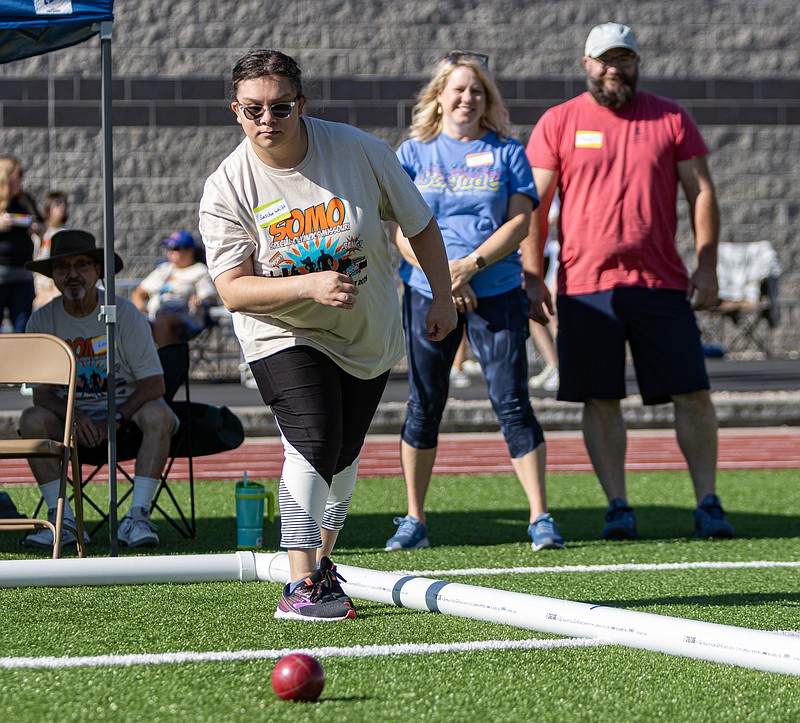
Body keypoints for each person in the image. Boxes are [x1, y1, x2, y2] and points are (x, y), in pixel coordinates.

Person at [198, 49, 455, 622]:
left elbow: (421, 225)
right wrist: (309, 286)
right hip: (281, 333)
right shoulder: (227, 185)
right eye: (254, 109)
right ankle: (299, 582)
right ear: (235, 111)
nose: (267, 120)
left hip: (364, 333)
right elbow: (234, 290)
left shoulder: (360, 150)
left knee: (342, 455)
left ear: (302, 105)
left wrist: (440, 296)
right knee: (313, 440)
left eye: (280, 107)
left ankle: (322, 566)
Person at [526, 22, 734, 540]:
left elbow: (702, 192)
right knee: (599, 398)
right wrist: (533, 274)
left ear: (637, 63)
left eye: (624, 59)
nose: (614, 69)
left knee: (692, 392)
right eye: (605, 60)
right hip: (586, 285)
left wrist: (706, 265)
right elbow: (534, 205)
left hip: (660, 283)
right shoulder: (559, 121)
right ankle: (617, 504)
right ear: (587, 64)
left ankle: (708, 501)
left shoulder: (671, 117)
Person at [384, 50, 565, 555]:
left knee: (512, 401)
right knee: (424, 404)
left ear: (487, 100)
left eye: (477, 90)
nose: (467, 97)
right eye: (458, 89)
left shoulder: (508, 151)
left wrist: (469, 267)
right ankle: (414, 520)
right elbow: (398, 228)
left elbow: (519, 224)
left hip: (496, 288)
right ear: (439, 96)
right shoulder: (413, 153)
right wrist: (442, 278)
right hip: (426, 291)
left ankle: (540, 518)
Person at [19, 229, 179, 549]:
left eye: (81, 265)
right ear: (53, 276)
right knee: (30, 419)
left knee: (159, 414)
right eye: (63, 268)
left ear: (98, 272)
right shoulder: (41, 320)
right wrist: (75, 416)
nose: (73, 274)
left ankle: (138, 516)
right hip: (70, 422)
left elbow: (154, 384)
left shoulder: (125, 313)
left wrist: (116, 418)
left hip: (126, 417)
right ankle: (61, 520)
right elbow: (42, 394)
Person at [131, 230, 218, 347]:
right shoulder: (164, 269)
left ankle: (165, 361)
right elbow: (139, 292)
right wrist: (139, 307)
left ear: (189, 251)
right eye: (169, 249)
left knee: (163, 320)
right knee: (134, 322)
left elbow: (211, 299)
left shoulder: (199, 271)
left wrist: (199, 301)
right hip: (154, 316)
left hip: (186, 319)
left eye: (176, 248)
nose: (171, 252)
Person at [0, 155, 43, 332]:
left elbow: (42, 223)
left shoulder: (26, 200)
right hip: (1, 273)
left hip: (23, 273)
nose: (22, 179)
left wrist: (36, 228)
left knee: (23, 325)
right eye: (19, 174)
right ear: (7, 176)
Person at [526, 194, 560, 393]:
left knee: (552, 310)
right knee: (534, 311)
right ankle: (553, 364)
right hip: (536, 254)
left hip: (552, 254)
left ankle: (560, 364)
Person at [32, 191, 69, 310]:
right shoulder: (40, 233)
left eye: (64, 204)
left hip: (55, 288)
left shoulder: (64, 234)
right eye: (57, 204)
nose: (62, 207)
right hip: (38, 287)